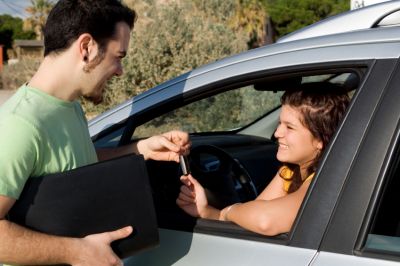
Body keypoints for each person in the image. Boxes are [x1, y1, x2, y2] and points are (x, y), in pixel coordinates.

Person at [0, 1, 190, 266]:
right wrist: (77, 252)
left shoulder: (69, 107)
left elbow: (76, 163)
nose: (120, 71)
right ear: (87, 48)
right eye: (118, 57)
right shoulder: (19, 124)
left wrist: (141, 150)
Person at [176, 86, 350, 236]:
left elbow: (265, 220)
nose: (277, 133)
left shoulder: (325, 179)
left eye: (289, 127)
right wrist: (208, 212)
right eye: (280, 123)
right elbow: (256, 210)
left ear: (320, 140)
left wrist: (228, 212)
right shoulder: (290, 170)